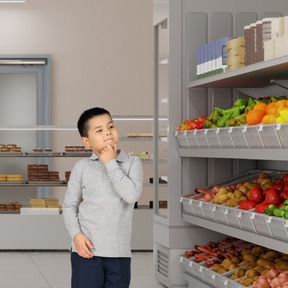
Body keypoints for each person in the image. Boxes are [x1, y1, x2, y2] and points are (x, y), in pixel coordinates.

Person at [62, 107, 143, 288]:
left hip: (119, 254)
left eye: (111, 126)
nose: (107, 132)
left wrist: (110, 163)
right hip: (86, 252)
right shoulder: (81, 167)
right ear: (86, 141)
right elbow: (69, 206)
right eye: (99, 130)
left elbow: (131, 195)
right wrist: (76, 235)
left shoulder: (132, 163)